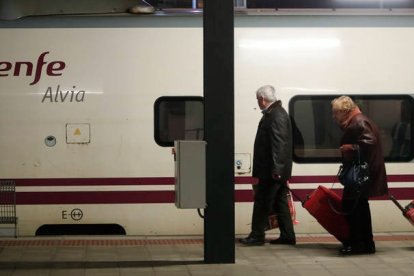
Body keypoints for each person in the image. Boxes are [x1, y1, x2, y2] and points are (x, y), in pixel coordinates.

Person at [239, 85, 296, 246]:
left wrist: (277, 169)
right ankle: (287, 235)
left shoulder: (276, 115)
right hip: (274, 170)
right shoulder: (276, 113)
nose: (258, 102)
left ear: (262, 99)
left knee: (262, 202)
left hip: (271, 171)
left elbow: (279, 144)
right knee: (280, 202)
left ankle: (257, 235)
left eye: (258, 99)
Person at [331, 96, 388, 255]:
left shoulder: (359, 122)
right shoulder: (357, 120)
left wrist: (350, 147)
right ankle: (366, 244)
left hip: (360, 175)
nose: (333, 117)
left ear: (344, 111)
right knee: (359, 207)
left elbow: (370, 143)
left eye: (335, 113)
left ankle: (358, 245)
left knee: (352, 208)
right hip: (362, 174)